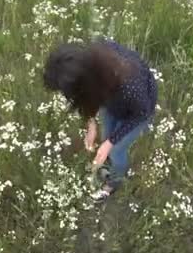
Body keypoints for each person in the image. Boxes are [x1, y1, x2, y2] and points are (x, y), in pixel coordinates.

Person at [42, 38, 158, 201]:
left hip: (138, 111)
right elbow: (83, 97)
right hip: (112, 100)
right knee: (106, 136)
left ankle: (115, 182)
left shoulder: (129, 83)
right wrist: (91, 124)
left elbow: (142, 113)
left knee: (116, 149)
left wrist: (110, 143)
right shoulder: (90, 69)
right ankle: (108, 160)